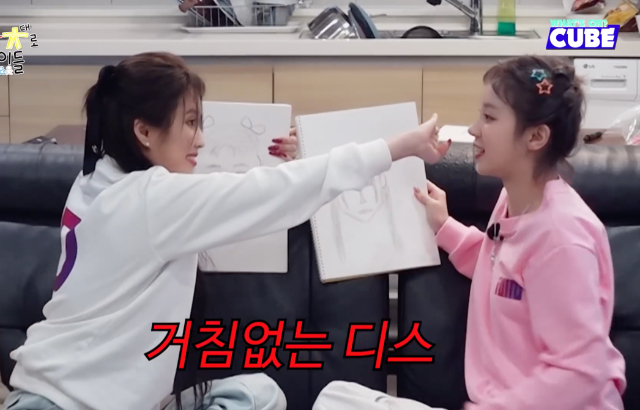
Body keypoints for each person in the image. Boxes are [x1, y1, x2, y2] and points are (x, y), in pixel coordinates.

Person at [3, 52, 449, 410]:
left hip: (78, 392)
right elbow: (271, 192)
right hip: (68, 401)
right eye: (190, 123)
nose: (200, 140)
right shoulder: (150, 201)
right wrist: (399, 146)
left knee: (258, 392)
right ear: (144, 131)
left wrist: (308, 149)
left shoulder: (97, 180)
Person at [313, 55, 627, 410]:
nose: (474, 129)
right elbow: (503, 272)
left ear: (536, 136)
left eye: (489, 118)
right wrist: (445, 227)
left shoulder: (563, 240)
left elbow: (581, 371)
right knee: (335, 397)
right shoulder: (516, 199)